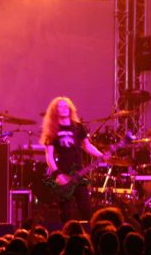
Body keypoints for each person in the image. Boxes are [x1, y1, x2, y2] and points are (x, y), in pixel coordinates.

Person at [41, 96, 105, 224]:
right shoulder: (52, 130)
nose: (64, 109)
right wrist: (57, 174)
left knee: (86, 208)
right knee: (65, 212)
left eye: (66, 106)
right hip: (63, 173)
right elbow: (49, 155)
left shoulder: (78, 127)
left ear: (70, 109)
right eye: (60, 107)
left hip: (79, 172)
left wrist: (100, 155)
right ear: (55, 111)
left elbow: (86, 145)